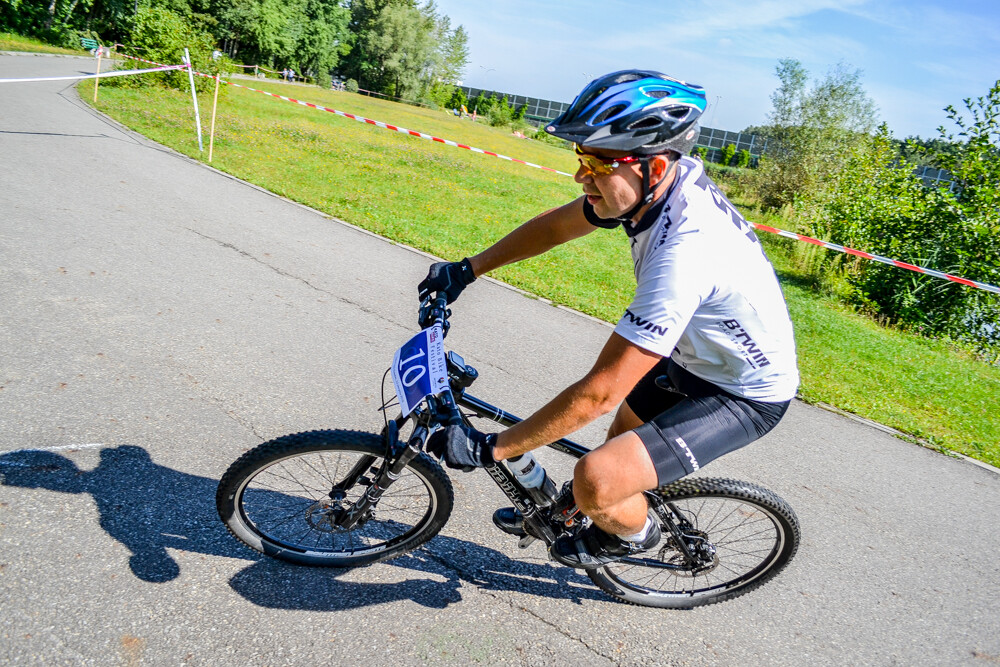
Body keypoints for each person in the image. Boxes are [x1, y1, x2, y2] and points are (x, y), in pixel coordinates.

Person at [418, 70, 799, 569]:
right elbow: (558, 225)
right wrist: (468, 270)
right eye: (582, 158)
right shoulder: (655, 187)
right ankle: (581, 511)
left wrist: (492, 448)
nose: (582, 176)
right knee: (619, 445)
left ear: (654, 163)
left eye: (597, 162)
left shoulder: (686, 254)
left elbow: (599, 393)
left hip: (742, 393)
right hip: (696, 358)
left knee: (598, 476)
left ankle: (635, 536)